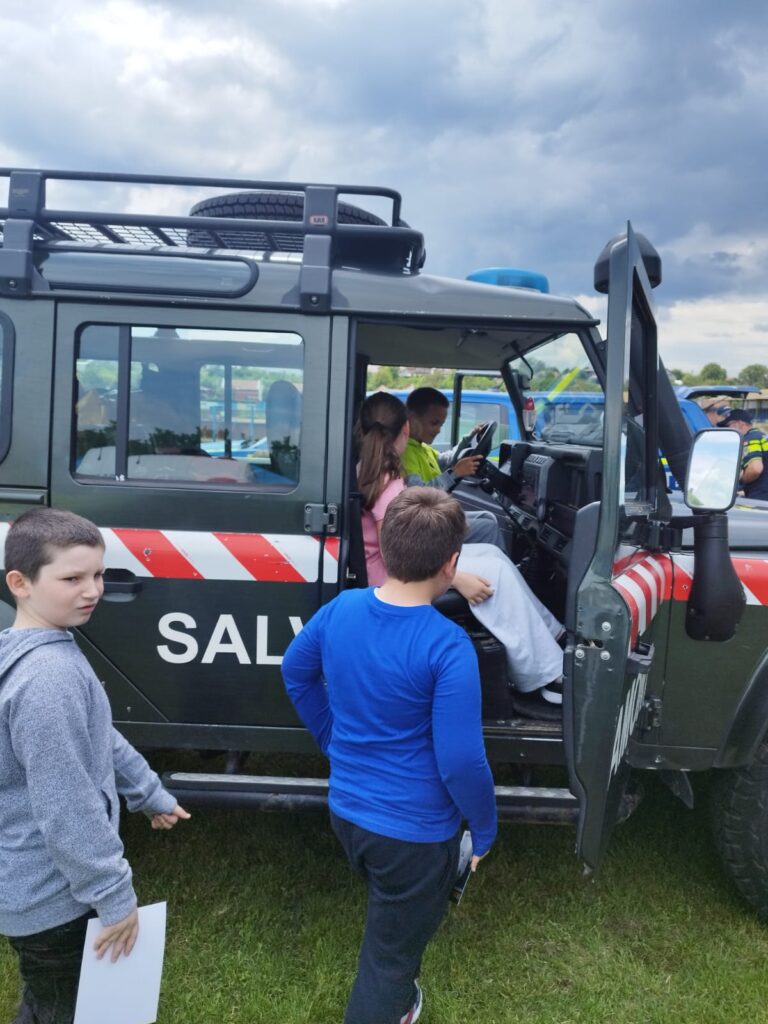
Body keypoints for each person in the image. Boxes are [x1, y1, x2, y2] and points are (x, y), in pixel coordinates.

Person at [282, 487, 497, 1024]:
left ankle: (400, 997)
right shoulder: (448, 646)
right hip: (414, 837)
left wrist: (331, 737)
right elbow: (461, 761)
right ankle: (390, 1001)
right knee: (388, 958)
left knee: (395, 922)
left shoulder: (341, 609)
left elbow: (295, 671)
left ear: (389, 545)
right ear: (451, 564)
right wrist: (485, 828)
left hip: (348, 815)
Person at [0, 507, 190, 1024]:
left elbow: (98, 732)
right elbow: (66, 806)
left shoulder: (47, 648)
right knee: (62, 1009)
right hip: (53, 900)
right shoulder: (49, 679)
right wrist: (113, 896)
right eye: (72, 579)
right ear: (20, 583)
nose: (92, 590)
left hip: (39, 889)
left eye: (98, 574)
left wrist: (147, 790)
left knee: (47, 1003)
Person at [356, 392, 564, 709]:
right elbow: (394, 553)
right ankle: (546, 675)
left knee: (492, 555)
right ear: (406, 428)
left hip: (399, 567)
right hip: (391, 578)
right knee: (494, 572)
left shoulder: (374, 470)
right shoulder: (388, 480)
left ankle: (552, 635)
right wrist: (454, 578)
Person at [400, 386, 503, 547]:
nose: (438, 430)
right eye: (434, 423)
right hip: (422, 523)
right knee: (487, 528)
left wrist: (468, 439)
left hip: (433, 515)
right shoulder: (405, 452)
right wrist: (455, 474)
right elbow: (419, 494)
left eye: (441, 424)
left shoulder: (422, 447)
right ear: (412, 418)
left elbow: (445, 460)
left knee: (488, 517)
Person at [721, 409, 768, 500]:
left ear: (739, 423)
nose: (727, 429)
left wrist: (741, 481)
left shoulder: (750, 439)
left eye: (728, 425)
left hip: (760, 499)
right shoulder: (762, 437)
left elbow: (755, 469)